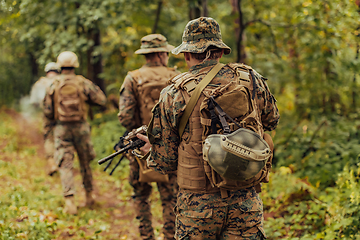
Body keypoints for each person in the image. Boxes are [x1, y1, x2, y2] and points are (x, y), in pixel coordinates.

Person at [138, 17, 280, 239]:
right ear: (220, 51)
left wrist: (151, 148)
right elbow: (271, 120)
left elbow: (165, 162)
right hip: (246, 202)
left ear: (186, 54)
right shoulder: (251, 79)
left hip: (197, 208)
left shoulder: (174, 92)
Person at [118, 34, 179, 240]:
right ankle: (170, 235)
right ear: (161, 53)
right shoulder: (175, 76)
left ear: (146, 55)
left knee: (140, 194)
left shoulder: (132, 78)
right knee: (170, 196)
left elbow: (125, 117)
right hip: (169, 146)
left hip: (139, 145)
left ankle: (146, 236)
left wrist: (138, 131)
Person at [43, 51, 107, 215]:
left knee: (65, 164)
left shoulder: (53, 84)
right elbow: (101, 100)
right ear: (75, 64)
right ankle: (89, 196)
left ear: (60, 65)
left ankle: (70, 201)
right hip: (81, 127)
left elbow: (48, 111)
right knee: (85, 162)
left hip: (62, 128)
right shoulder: (83, 83)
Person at [29, 62, 60, 176]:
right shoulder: (61, 81)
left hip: (47, 116)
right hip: (62, 116)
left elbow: (34, 102)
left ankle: (51, 162)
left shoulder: (40, 84)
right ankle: (61, 161)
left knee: (49, 138)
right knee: (61, 137)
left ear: (47, 72)